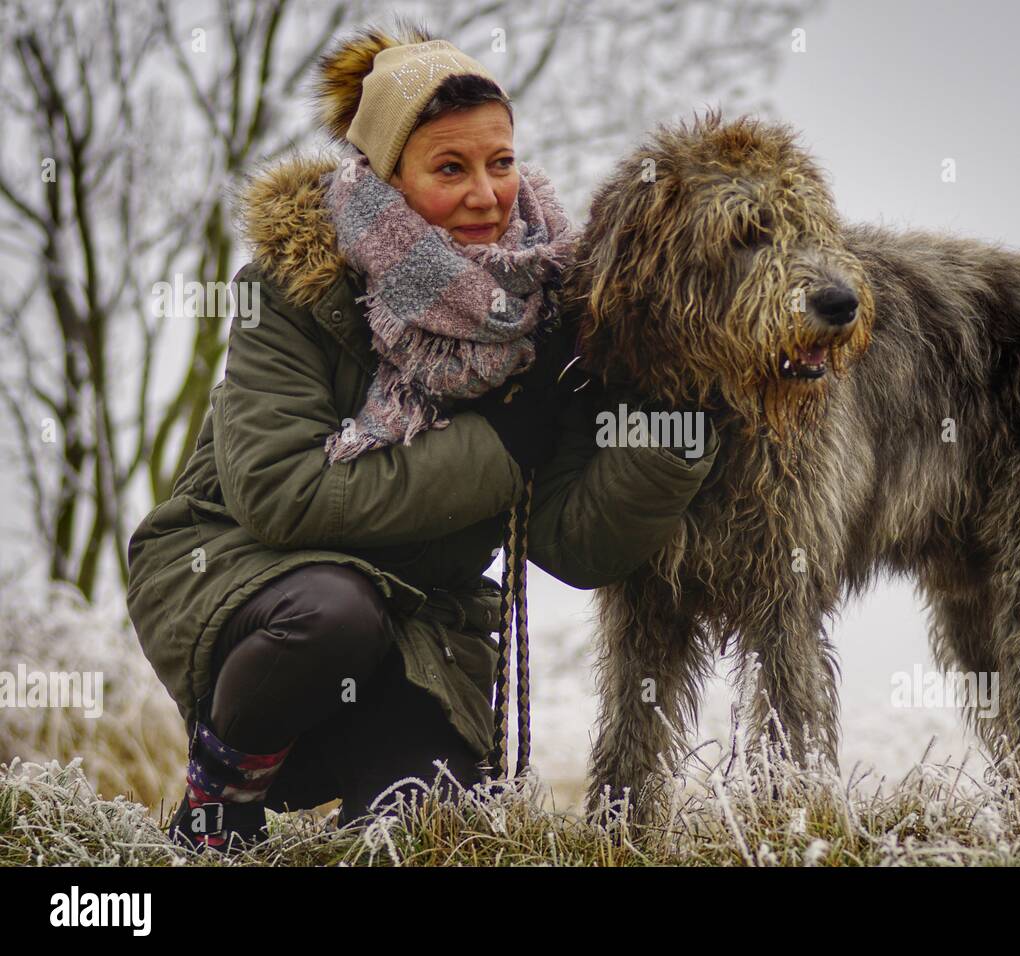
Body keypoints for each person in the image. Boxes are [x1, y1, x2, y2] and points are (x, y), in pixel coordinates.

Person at [125, 30, 719, 855]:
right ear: (388, 180)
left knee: (423, 830)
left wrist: (671, 427)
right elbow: (282, 494)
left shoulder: (550, 311)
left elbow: (572, 546)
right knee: (334, 612)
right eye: (450, 169)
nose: (487, 194)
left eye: (500, 162)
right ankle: (216, 809)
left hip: (419, 628)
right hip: (246, 575)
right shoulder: (297, 285)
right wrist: (504, 446)